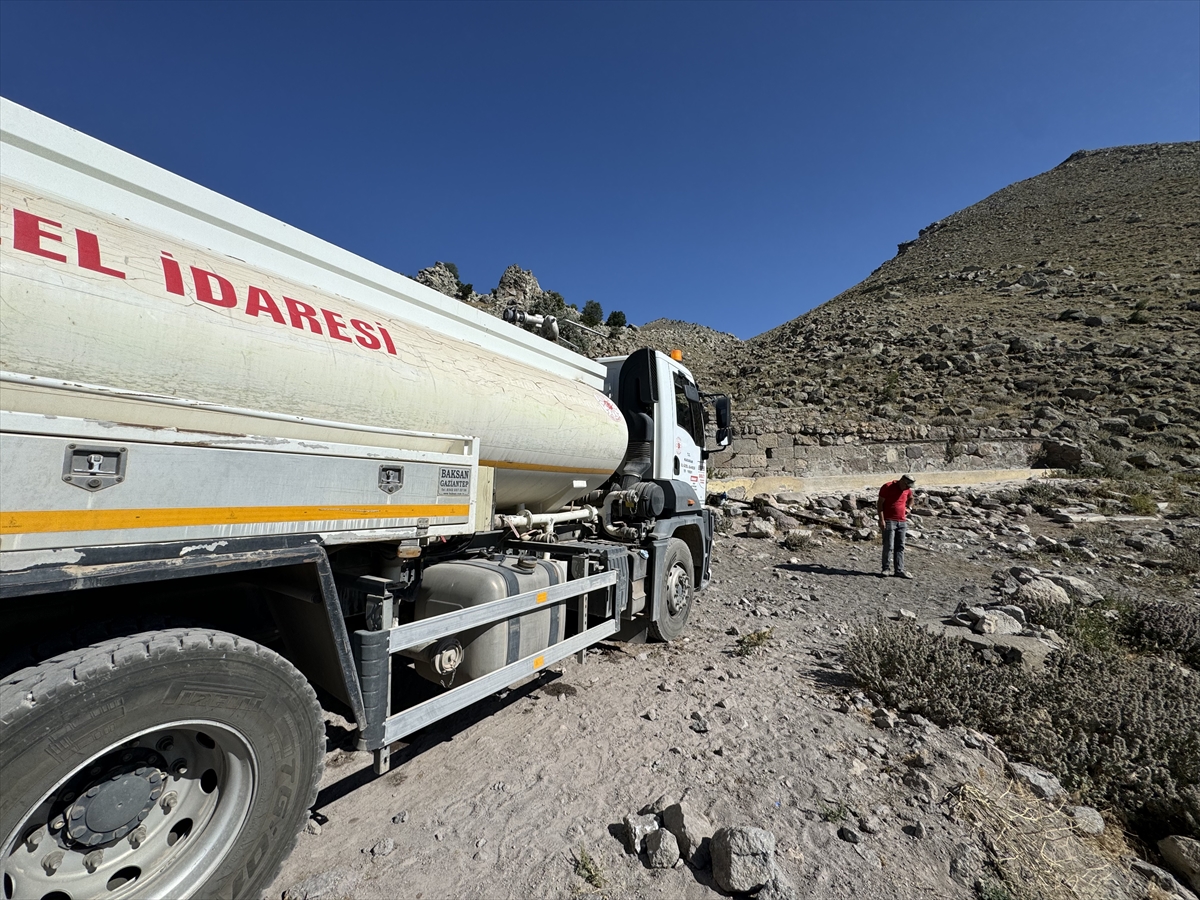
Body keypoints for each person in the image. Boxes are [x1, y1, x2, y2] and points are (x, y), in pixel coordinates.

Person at [877, 474, 915, 578]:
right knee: (888, 545)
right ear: (902, 481)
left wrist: (909, 508)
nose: (908, 488)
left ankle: (899, 570)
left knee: (900, 546)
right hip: (889, 520)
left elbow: (911, 498)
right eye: (907, 485)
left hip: (902, 521)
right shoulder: (887, 487)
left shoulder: (907, 489)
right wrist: (881, 520)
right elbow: (880, 504)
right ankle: (886, 568)